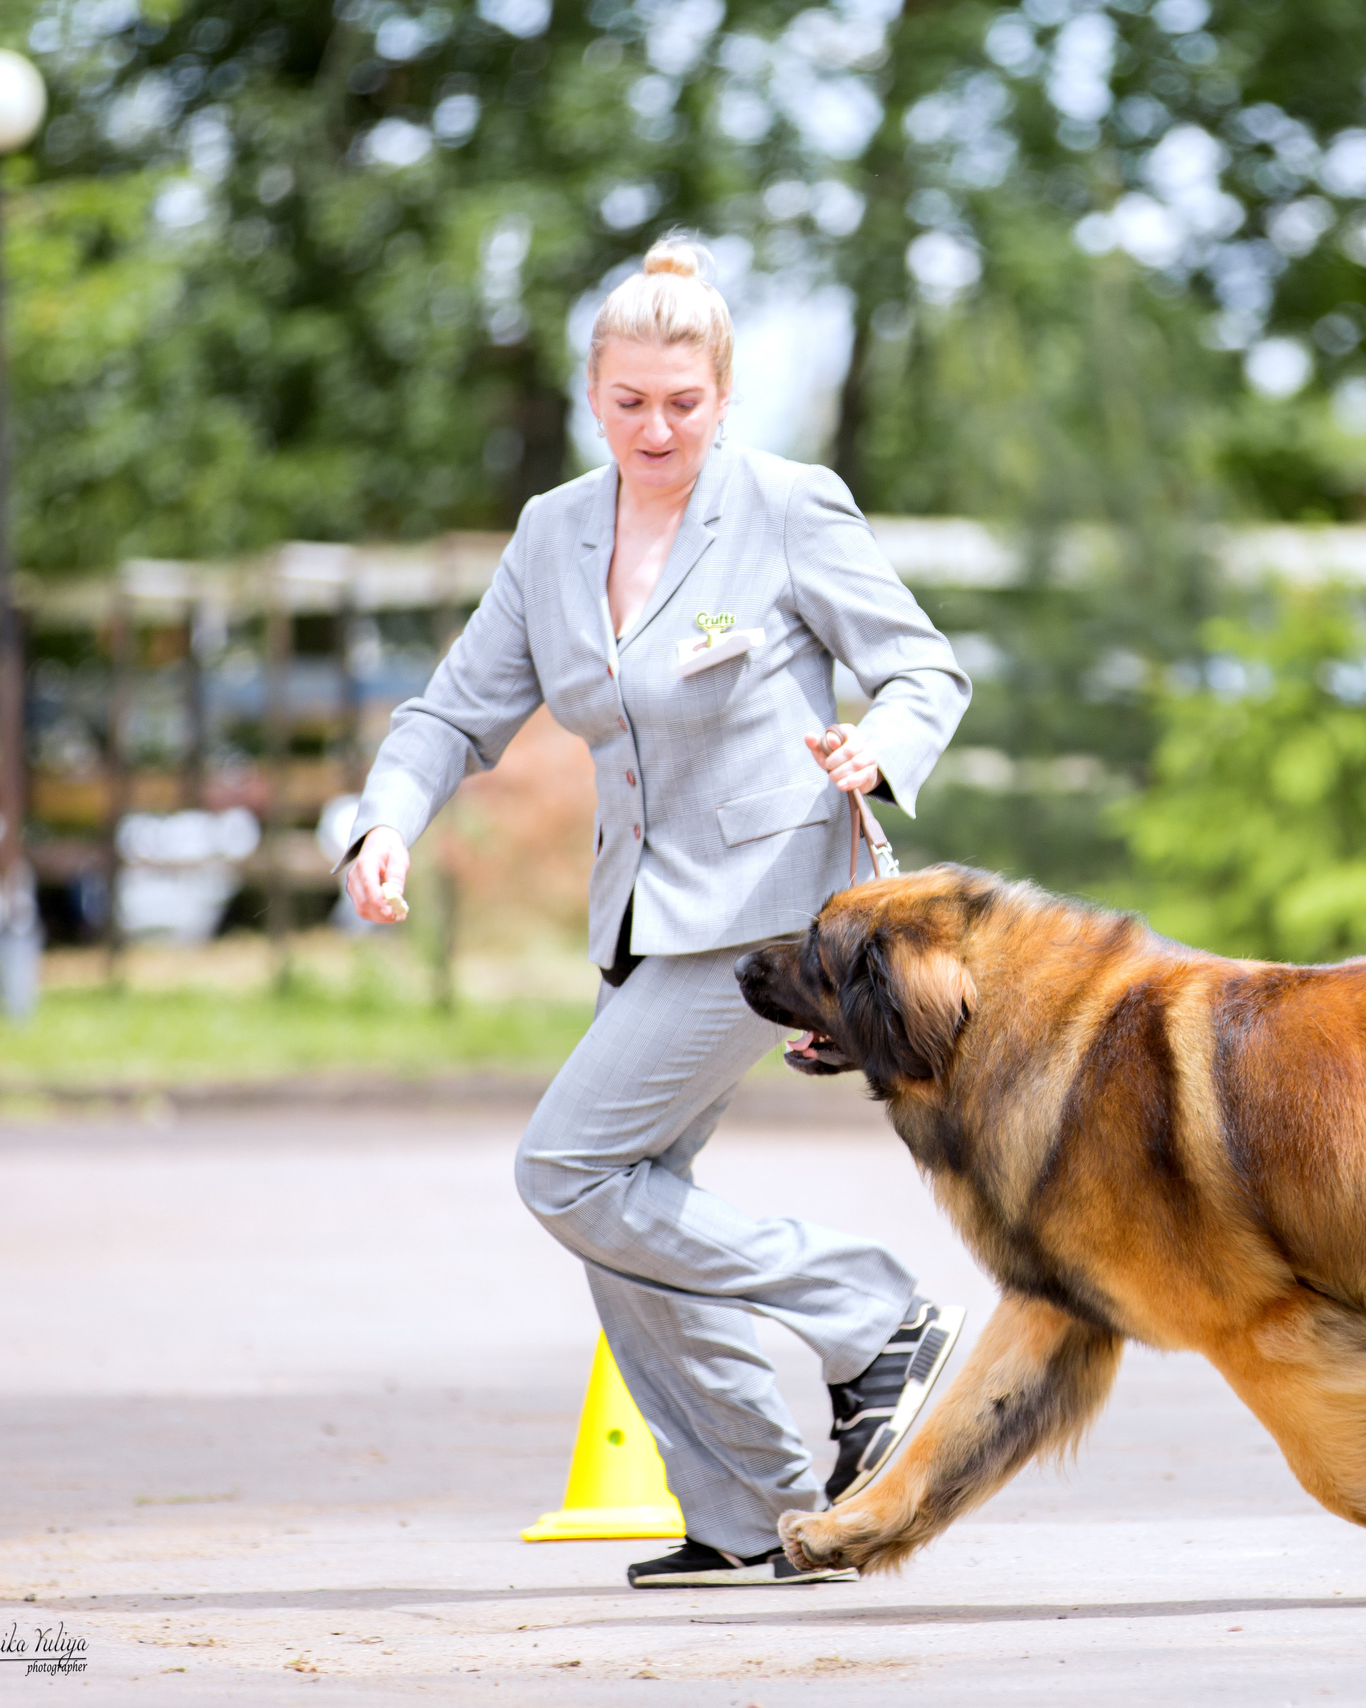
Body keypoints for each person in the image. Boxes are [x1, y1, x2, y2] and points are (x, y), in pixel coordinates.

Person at [338, 234, 971, 1589]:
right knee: (626, 1205)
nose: (657, 427)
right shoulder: (553, 535)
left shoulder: (791, 506)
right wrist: (386, 817)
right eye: (629, 402)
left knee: (566, 1171)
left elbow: (924, 668)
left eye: (683, 402)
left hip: (773, 919)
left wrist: (881, 745)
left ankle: (878, 1315)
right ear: (593, 392)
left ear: (725, 391)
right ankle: (755, 1508)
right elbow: (456, 711)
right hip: (642, 921)